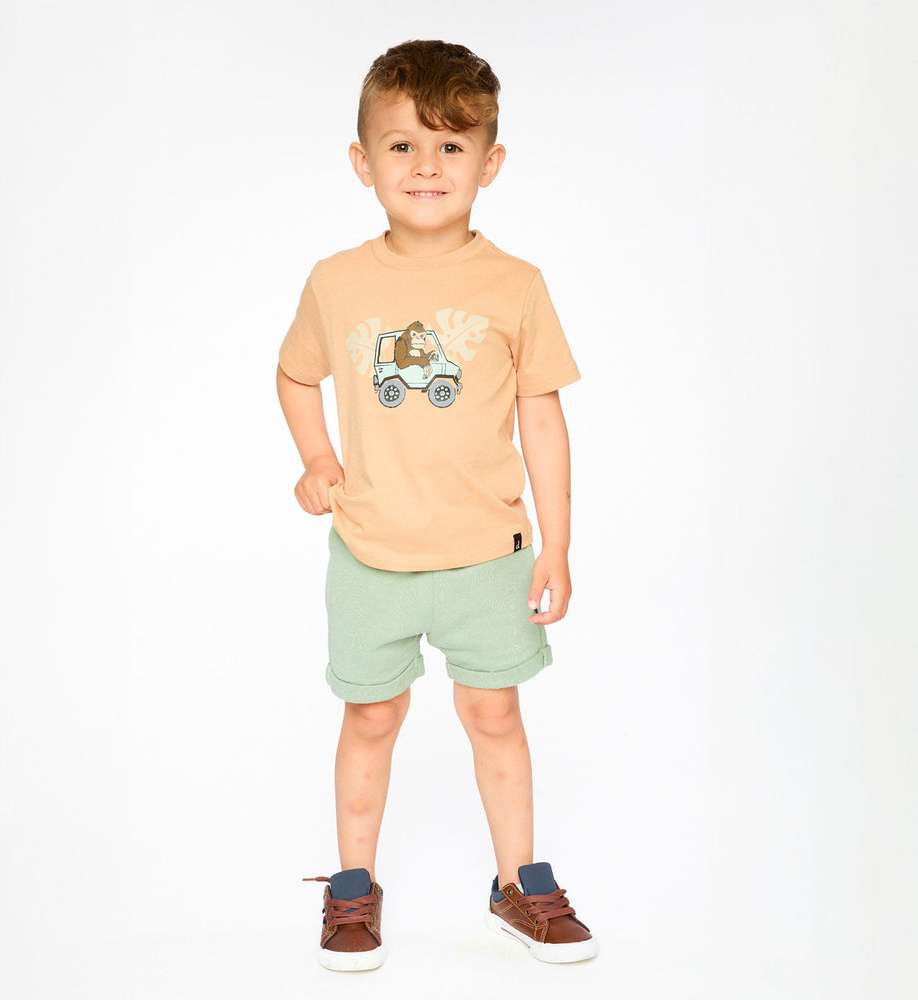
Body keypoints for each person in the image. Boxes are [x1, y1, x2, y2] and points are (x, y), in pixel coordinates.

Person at [277, 39, 596, 971]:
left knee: (493, 713)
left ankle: (518, 884)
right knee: (370, 718)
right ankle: (352, 888)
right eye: (403, 145)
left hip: (486, 556)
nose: (426, 166)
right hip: (371, 554)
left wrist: (556, 546)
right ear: (363, 161)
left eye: (451, 146)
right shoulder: (336, 282)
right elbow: (294, 374)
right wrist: (317, 457)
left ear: (489, 163)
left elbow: (544, 420)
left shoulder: (515, 285)